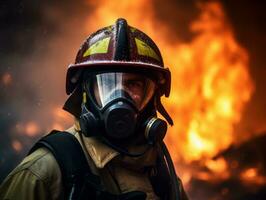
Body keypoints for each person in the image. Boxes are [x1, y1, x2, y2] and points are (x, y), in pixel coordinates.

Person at [0, 18, 188, 200]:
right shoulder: (45, 172)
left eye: (134, 84)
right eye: (107, 84)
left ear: (152, 96)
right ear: (85, 93)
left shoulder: (161, 174)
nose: (119, 95)